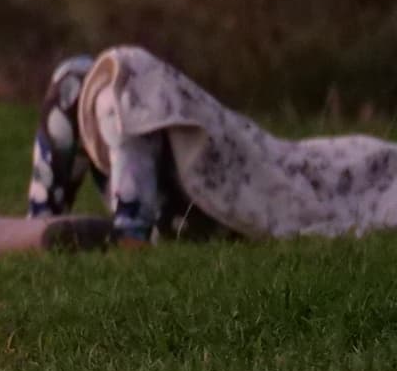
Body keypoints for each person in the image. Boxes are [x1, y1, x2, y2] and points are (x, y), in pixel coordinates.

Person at [26, 45, 397, 243]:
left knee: (335, 174)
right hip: (108, 113)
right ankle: (45, 217)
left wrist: (129, 231)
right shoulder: (84, 94)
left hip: (274, 163)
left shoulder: (122, 103)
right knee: (76, 83)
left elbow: (132, 218)